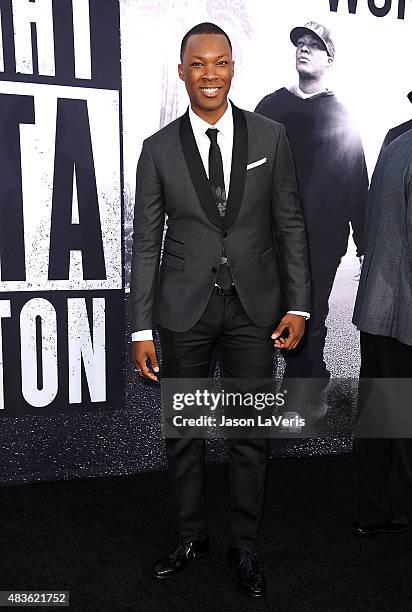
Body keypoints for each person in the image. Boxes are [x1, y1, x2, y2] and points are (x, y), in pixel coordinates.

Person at [130, 22, 311, 597]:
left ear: (233, 69)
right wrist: (140, 326)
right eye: (198, 64)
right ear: (183, 71)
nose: (210, 74)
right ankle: (190, 536)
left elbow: (289, 224)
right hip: (183, 311)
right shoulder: (157, 149)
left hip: (256, 310)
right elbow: (144, 242)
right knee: (184, 430)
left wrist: (300, 306)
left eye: (221, 63)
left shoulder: (270, 136)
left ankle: (246, 548)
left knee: (248, 432)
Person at [255, 21, 368, 415]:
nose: (304, 49)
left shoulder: (341, 115)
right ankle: (295, 385)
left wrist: (364, 244)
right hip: (269, 238)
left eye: (314, 45)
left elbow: (356, 182)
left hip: (321, 239)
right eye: (300, 44)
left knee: (310, 314)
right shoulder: (270, 106)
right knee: (267, 314)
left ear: (329, 58)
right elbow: (247, 170)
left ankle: (302, 394)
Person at [352, 128, 412, 537]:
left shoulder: (396, 138)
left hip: (378, 307)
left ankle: (371, 513)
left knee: (379, 419)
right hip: (404, 312)